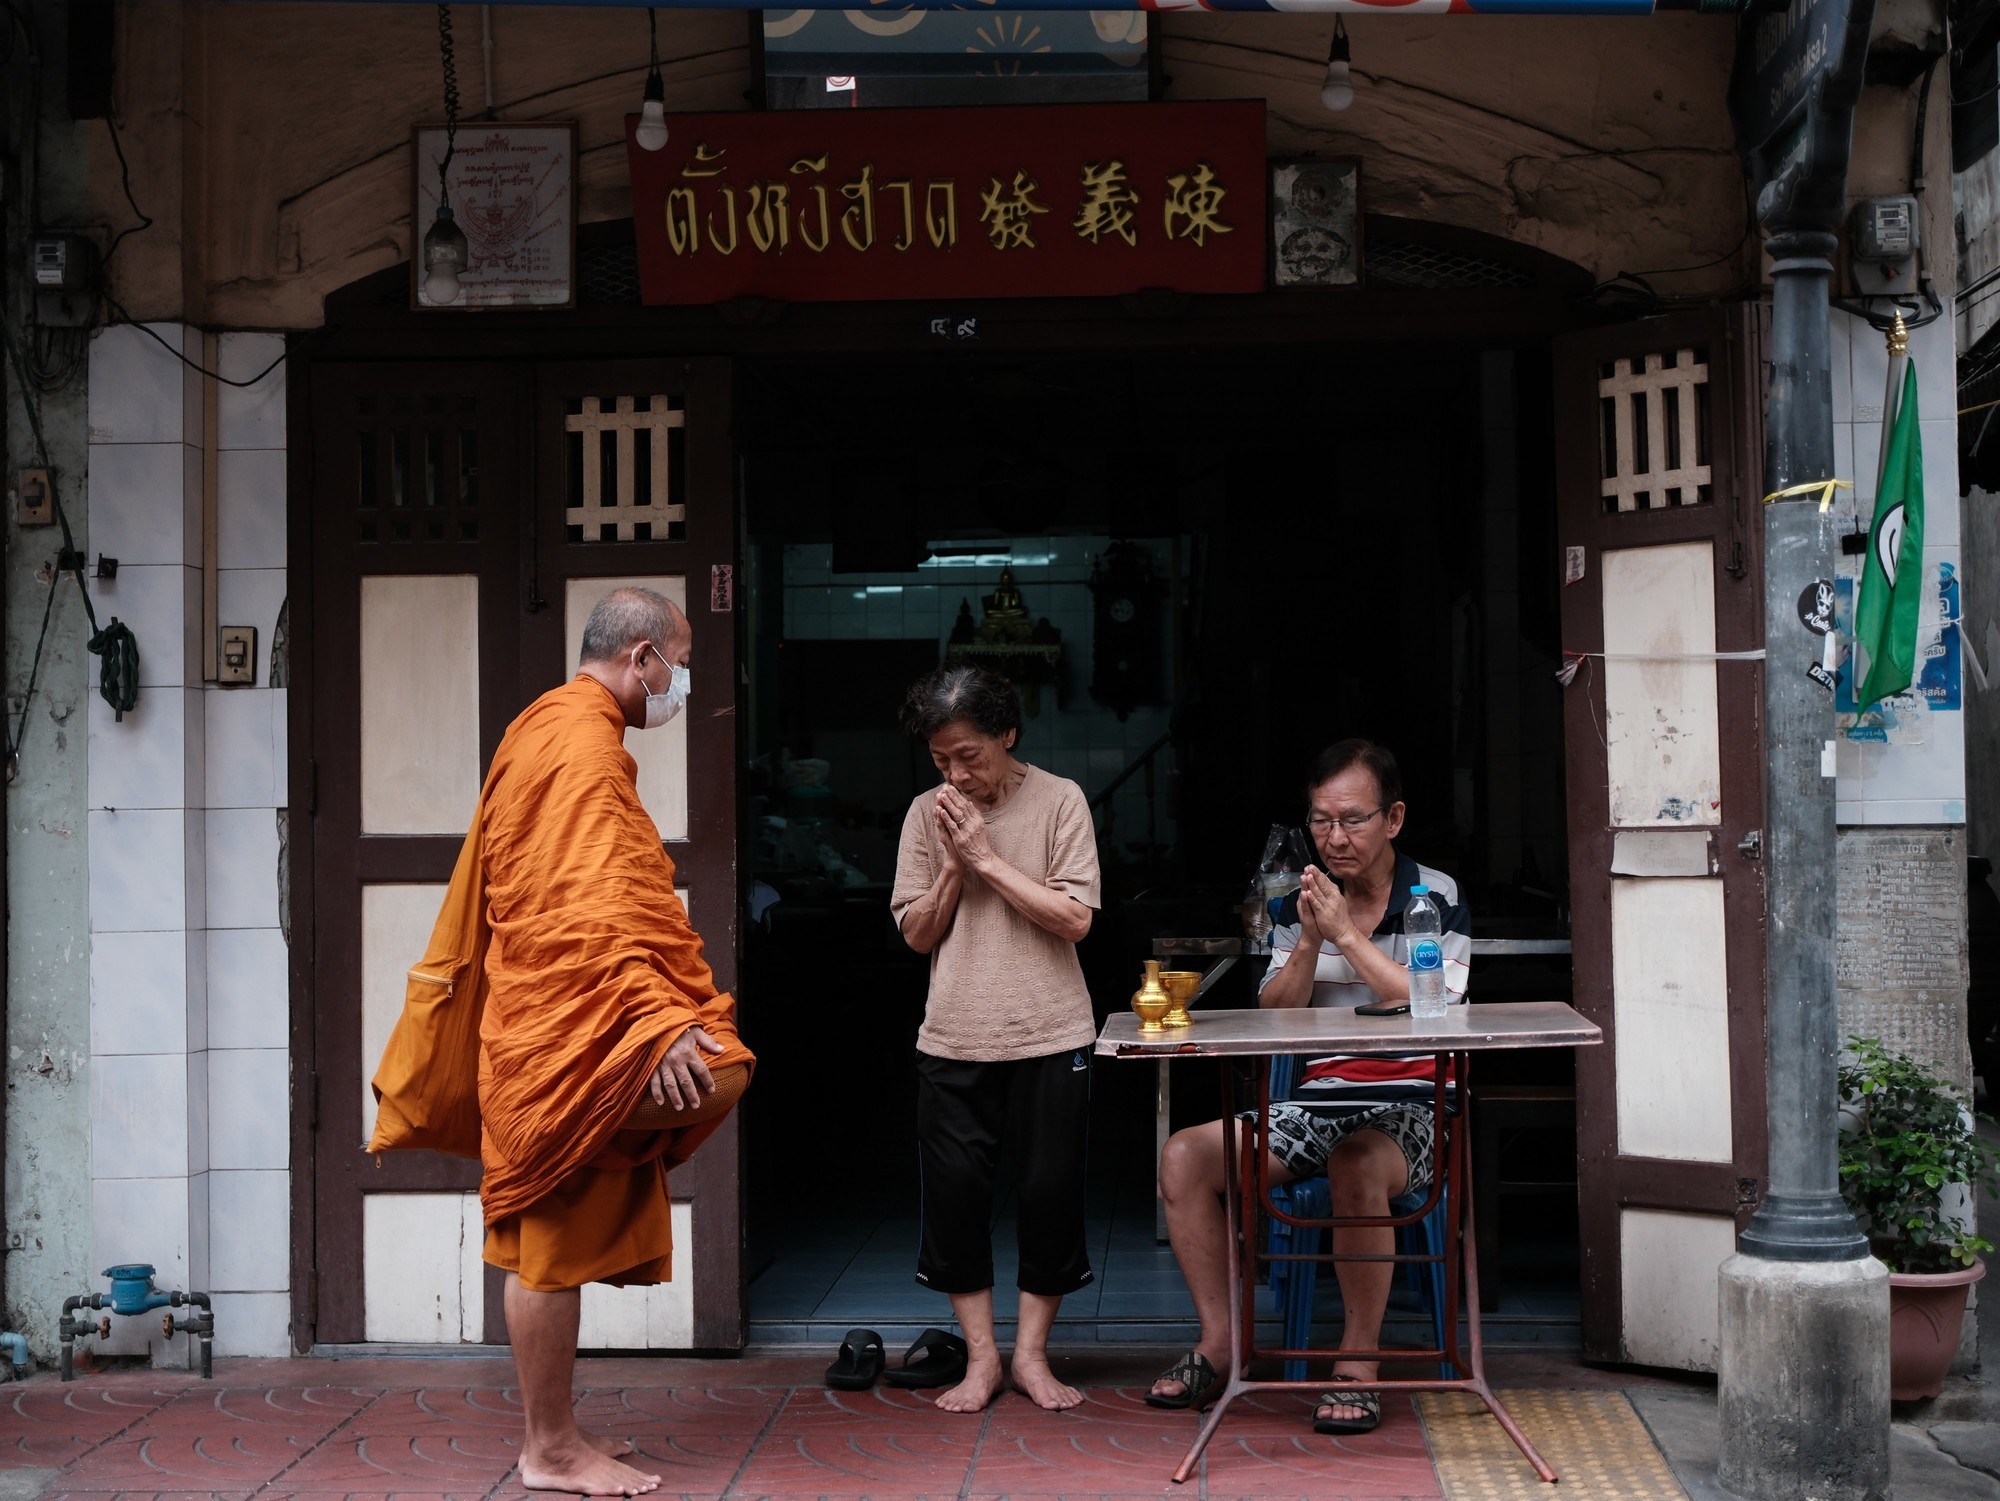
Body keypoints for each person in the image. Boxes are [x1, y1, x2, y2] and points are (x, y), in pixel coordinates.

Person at [370, 587, 756, 1497]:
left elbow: (586, 893)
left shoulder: (543, 726)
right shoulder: (580, 746)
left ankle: (560, 1430)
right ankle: (547, 1448)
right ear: (642, 658)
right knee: (549, 1233)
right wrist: (648, 1021)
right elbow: (584, 908)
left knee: (557, 1217)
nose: (683, 682)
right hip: (568, 1026)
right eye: (682, 663)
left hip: (551, 1018)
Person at [1146, 740, 1469, 1436]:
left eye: (1352, 819)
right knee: (1183, 1157)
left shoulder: (1433, 895)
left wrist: (1348, 937)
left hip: (1412, 1105)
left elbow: (1432, 1003)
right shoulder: (1302, 902)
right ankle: (1220, 1343)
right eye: (1321, 820)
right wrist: (1310, 939)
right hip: (1320, 1101)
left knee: (1356, 1159)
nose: (1334, 836)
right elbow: (1276, 1012)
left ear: (1395, 818)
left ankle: (1358, 1361)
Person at [890, 665, 1102, 1414]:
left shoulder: (1061, 801)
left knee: (1048, 1194)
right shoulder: (926, 815)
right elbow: (916, 933)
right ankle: (981, 1361)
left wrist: (986, 859)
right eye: (941, 758)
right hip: (953, 1034)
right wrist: (952, 864)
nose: (955, 772)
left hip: (1051, 1029)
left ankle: (1033, 1357)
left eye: (969, 754)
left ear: (1008, 735)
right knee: (955, 1200)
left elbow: (1076, 917)